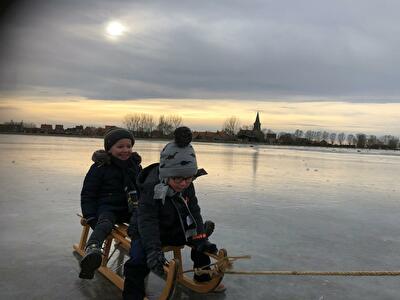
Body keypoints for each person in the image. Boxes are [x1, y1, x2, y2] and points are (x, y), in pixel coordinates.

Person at [123, 126, 225, 300]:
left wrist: (199, 236)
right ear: (165, 174)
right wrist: (154, 250)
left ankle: (202, 275)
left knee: (198, 239)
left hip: (174, 224)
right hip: (145, 230)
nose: (184, 183)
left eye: (188, 178)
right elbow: (148, 221)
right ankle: (133, 294)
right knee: (139, 259)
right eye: (178, 178)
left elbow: (193, 210)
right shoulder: (151, 188)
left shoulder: (187, 185)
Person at [79, 128, 142, 279]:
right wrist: (90, 216)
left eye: (128, 146)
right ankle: (93, 249)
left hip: (130, 206)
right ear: (109, 149)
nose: (125, 150)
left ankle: (143, 250)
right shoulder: (100, 167)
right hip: (108, 207)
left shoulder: (134, 166)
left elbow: (142, 187)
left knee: (143, 222)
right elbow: (88, 193)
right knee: (105, 223)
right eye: (120, 147)